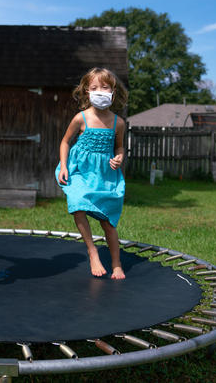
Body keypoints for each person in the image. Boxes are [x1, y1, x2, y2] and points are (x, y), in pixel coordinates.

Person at [56, 67, 128, 279]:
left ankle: (116, 264)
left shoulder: (118, 123)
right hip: (79, 170)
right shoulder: (81, 118)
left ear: (113, 92)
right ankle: (92, 250)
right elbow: (65, 142)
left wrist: (119, 157)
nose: (100, 91)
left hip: (104, 175)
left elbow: (120, 147)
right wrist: (64, 165)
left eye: (104, 87)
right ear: (87, 92)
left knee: (107, 223)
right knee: (77, 204)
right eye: (95, 87)